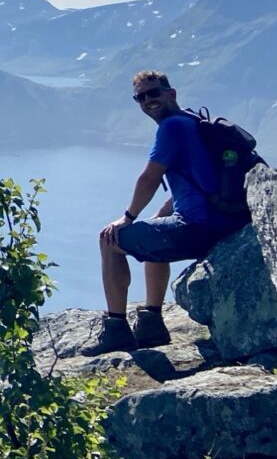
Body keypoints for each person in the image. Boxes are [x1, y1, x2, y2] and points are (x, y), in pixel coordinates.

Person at [81, 70, 248, 356]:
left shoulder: (170, 128)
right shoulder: (194, 122)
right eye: (141, 97)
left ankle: (117, 329)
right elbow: (202, 179)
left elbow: (149, 178)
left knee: (109, 239)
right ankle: (150, 324)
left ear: (171, 93)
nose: (148, 101)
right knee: (158, 226)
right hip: (225, 222)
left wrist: (128, 217)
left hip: (197, 228)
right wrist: (162, 212)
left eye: (153, 93)